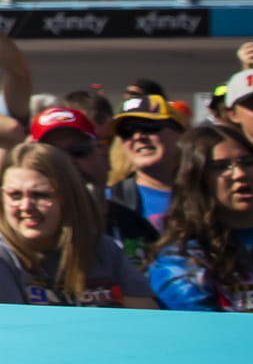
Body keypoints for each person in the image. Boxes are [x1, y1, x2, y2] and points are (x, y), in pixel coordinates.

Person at [0, 141, 157, 308]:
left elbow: (147, 321)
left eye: (41, 195)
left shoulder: (102, 249)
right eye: (15, 195)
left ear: (69, 197)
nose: (26, 207)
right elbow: (13, 332)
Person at [30, 106, 159, 269]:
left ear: (104, 155)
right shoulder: (29, 229)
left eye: (79, 151)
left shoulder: (136, 226)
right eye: (53, 155)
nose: (69, 162)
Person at [147, 124, 253, 312]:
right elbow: (204, 334)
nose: (240, 174)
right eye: (221, 167)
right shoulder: (179, 261)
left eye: (247, 162)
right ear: (196, 179)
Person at [111, 93, 183, 228]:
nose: (138, 136)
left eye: (149, 126)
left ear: (180, 134)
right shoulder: (106, 202)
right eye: (127, 131)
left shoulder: (208, 196)